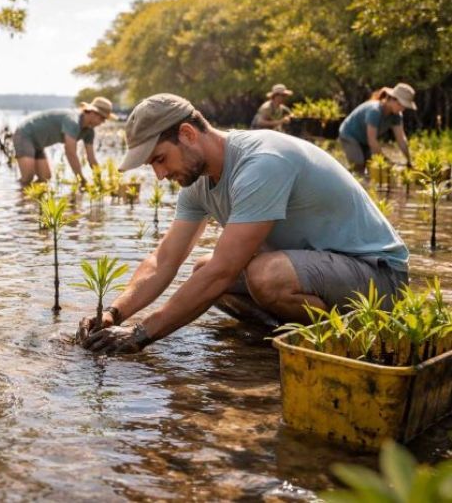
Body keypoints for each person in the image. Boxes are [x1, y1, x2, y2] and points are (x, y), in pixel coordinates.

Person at [77, 93, 409, 354]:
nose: (160, 175)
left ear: (188, 134)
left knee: (263, 275)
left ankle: (341, 342)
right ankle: (279, 341)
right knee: (203, 269)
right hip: (322, 273)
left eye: (160, 159)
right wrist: (114, 314)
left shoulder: (261, 163)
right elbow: (163, 261)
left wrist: (141, 334)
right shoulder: (197, 184)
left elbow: (223, 270)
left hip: (378, 277)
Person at [13, 97, 116, 186]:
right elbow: (70, 153)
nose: (103, 122)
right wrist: (82, 180)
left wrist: (100, 181)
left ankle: (28, 201)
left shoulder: (89, 132)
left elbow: (91, 158)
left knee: (45, 178)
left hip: (38, 144)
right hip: (25, 134)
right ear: (93, 113)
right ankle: (14, 197)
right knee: (28, 177)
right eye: (102, 118)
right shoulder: (73, 121)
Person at [338, 83, 416, 174]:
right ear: (391, 99)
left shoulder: (397, 116)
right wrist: (386, 161)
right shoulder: (375, 111)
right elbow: (372, 140)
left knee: (370, 166)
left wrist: (409, 160)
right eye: (400, 104)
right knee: (359, 165)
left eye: (404, 106)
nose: (402, 109)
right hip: (350, 135)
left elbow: (401, 139)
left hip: (364, 139)